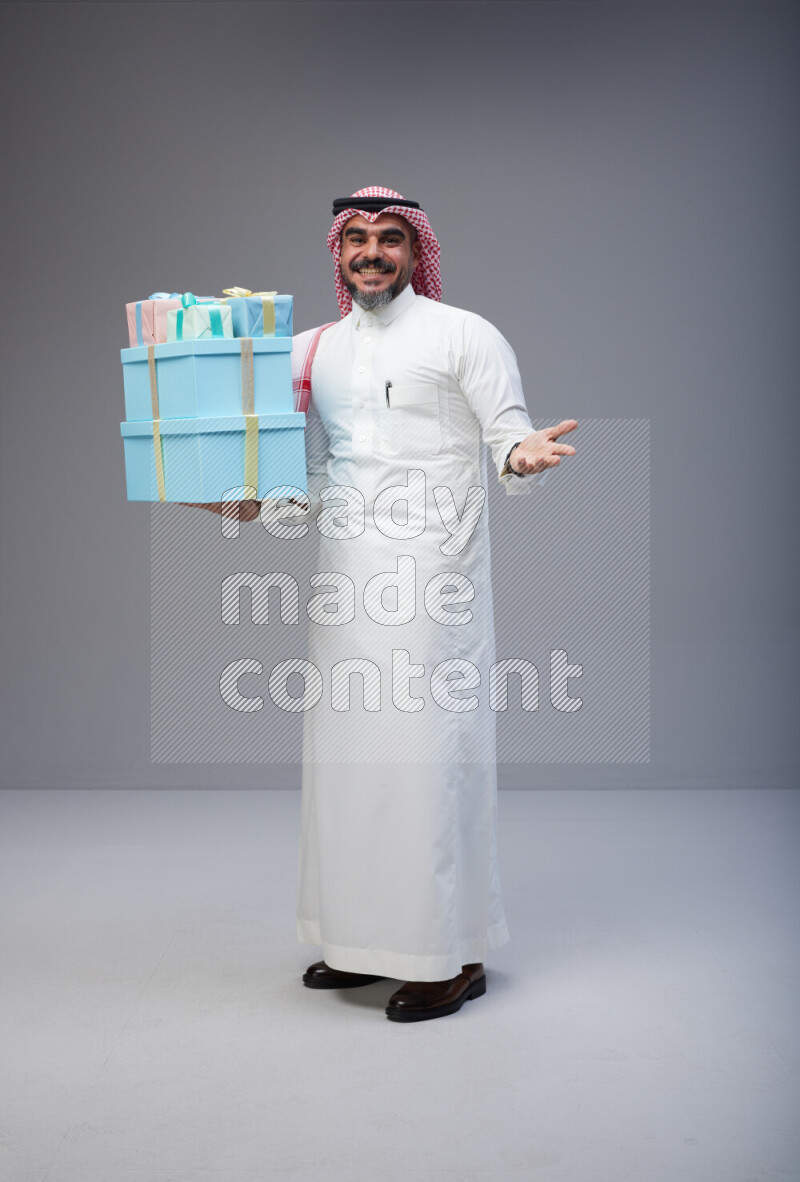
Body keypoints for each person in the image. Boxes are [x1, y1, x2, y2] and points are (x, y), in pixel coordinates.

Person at [186, 186, 577, 1022]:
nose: (372, 252)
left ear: (415, 250)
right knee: (349, 762)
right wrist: (234, 503)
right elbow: (313, 479)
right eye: (357, 238)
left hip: (436, 579)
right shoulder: (313, 350)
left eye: (390, 238)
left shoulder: (464, 334)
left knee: (427, 760)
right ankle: (361, 943)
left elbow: (508, 434)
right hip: (346, 578)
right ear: (338, 252)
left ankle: (450, 956)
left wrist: (522, 457)